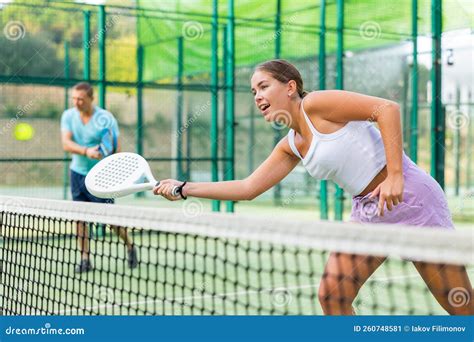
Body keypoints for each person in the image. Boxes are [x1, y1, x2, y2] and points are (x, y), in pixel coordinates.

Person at [153, 59, 472, 315]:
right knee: (332, 296)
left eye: (264, 86)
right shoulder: (290, 145)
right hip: (368, 211)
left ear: (290, 87)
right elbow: (248, 187)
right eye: (253, 92)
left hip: (411, 199)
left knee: (460, 306)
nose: (258, 97)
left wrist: (396, 176)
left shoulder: (318, 104)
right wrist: (184, 188)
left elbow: (386, 109)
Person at [61, 82, 138, 273]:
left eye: (81, 99)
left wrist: (110, 169)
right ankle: (85, 259)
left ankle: (130, 246)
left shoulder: (105, 118)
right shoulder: (68, 116)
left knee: (111, 220)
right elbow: (66, 143)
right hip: (77, 174)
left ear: (91, 99)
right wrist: (86, 151)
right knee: (79, 219)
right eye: (74, 99)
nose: (77, 102)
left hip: (101, 178)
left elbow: (115, 147)